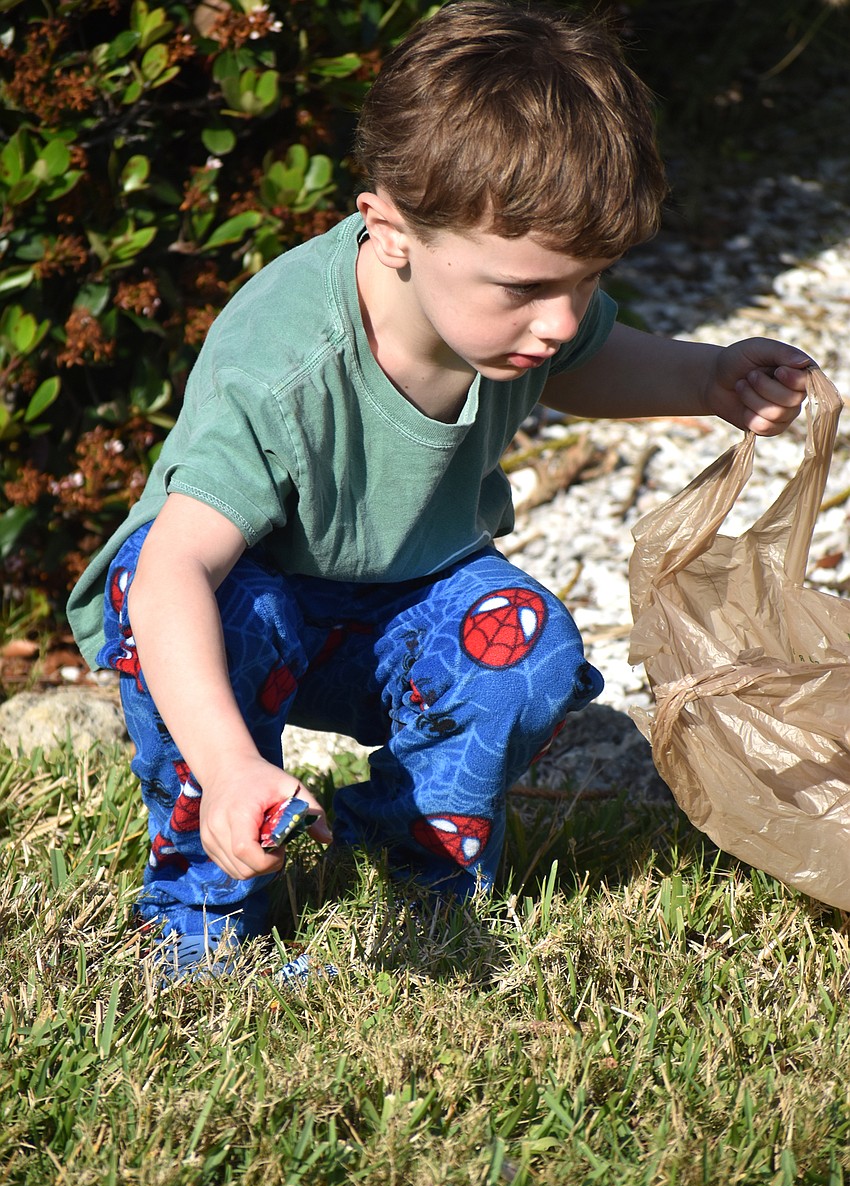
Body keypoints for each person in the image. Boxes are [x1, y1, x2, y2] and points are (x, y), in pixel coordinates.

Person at [67, 0, 813, 976]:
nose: (556, 320)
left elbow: (585, 361)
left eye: (583, 282)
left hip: (400, 603)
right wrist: (226, 757)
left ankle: (411, 844)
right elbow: (170, 575)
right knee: (229, 610)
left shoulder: (503, 315)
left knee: (526, 641)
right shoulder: (287, 362)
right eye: (524, 291)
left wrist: (706, 379)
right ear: (388, 230)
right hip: (234, 605)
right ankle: (201, 910)